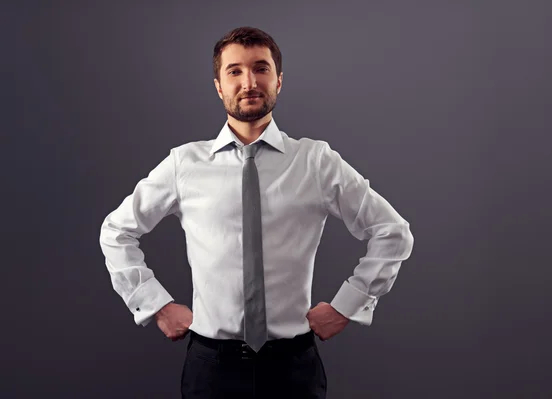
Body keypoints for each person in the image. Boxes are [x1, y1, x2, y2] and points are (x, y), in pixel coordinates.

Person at [99, 26, 414, 399]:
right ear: (218, 85)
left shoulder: (315, 161)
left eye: (261, 69)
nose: (249, 82)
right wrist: (155, 305)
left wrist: (348, 306)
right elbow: (116, 231)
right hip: (211, 367)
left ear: (279, 80)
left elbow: (392, 232)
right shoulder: (184, 164)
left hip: (293, 366)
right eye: (234, 71)